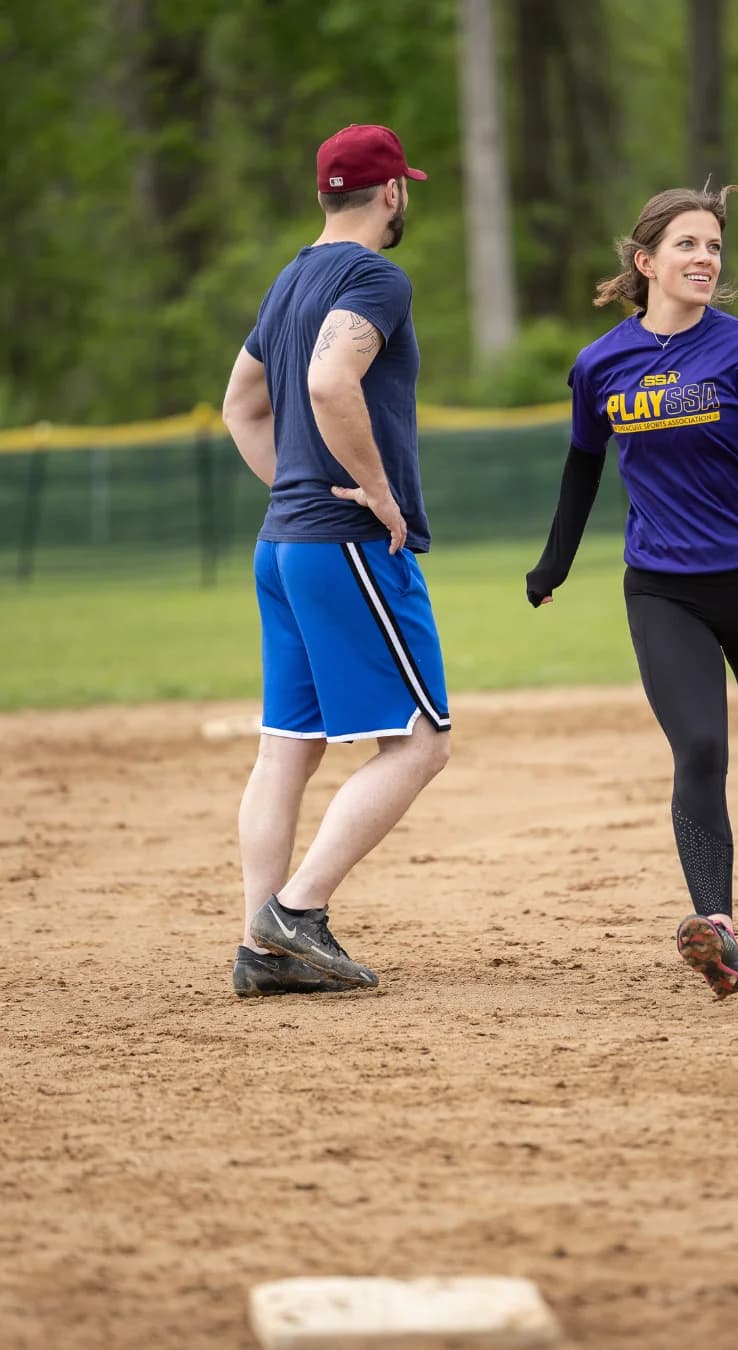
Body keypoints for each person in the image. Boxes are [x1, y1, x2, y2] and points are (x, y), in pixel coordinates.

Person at [526, 186, 738, 1002]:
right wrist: (554, 563)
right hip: (663, 585)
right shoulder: (601, 363)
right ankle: (720, 931)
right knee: (700, 747)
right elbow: (582, 463)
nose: (705, 258)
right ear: (646, 264)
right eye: (687, 245)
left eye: (712, 246)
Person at [221, 123, 450, 998]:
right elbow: (327, 381)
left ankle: (262, 949)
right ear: (392, 193)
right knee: (421, 743)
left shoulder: (290, 278)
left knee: (288, 747)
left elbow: (242, 402)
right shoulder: (373, 276)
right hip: (346, 544)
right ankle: (297, 911)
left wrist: (297, 485)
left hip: (283, 545)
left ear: (327, 194)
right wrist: (374, 491)